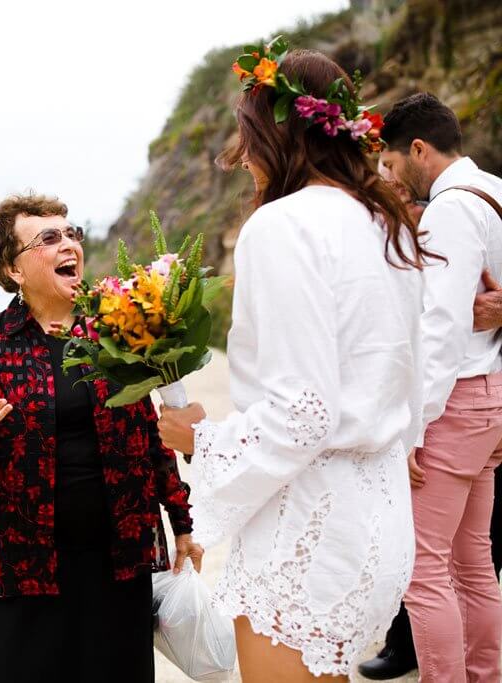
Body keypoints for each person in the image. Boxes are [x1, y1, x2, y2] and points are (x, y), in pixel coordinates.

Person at [157, 47, 438, 681]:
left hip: (309, 523)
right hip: (379, 519)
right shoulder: (385, 224)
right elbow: (410, 374)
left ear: (274, 131)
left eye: (246, 135)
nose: (243, 154)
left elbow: (303, 413)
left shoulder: (284, 226)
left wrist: (201, 438)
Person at [0, 192, 202, 683]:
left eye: (71, 233)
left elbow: (151, 437)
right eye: (49, 238)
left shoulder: (117, 326)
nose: (69, 245)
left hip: (118, 557)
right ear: (14, 269)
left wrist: (182, 522)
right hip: (26, 562)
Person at [368, 92, 502, 682]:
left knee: (423, 571)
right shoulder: (496, 189)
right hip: (492, 397)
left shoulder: (449, 207)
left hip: (454, 402)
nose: (393, 178)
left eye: (393, 166)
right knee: (474, 562)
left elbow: (443, 329)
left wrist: (414, 428)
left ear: (418, 149)